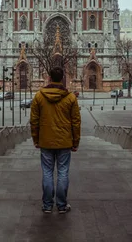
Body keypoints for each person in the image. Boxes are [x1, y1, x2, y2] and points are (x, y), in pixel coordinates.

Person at [30, 67, 81, 214]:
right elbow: (76, 121)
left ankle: (47, 206)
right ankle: (61, 205)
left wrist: (36, 139)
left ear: (49, 77)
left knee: (47, 173)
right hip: (65, 141)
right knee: (63, 172)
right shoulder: (71, 97)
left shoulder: (39, 96)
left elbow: (34, 120)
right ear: (62, 78)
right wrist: (75, 142)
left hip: (45, 141)